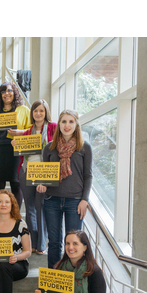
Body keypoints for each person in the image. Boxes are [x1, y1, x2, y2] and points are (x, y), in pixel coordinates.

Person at [37, 109, 93, 269]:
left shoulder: (84, 147)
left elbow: (88, 176)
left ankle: (72, 281)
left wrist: (84, 200)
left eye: (71, 122)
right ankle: (54, 282)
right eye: (63, 122)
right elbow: (44, 175)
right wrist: (41, 184)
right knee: (54, 242)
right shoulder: (49, 148)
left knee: (74, 245)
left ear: (76, 125)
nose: (67, 125)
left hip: (75, 202)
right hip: (51, 200)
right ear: (59, 124)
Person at [11, 99, 57, 255]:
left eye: (41, 111)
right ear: (32, 114)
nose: (38, 113)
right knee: (29, 207)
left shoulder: (53, 127)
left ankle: (42, 244)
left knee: (41, 206)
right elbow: (21, 153)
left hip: (43, 171)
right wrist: (15, 145)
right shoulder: (28, 131)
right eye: (35, 111)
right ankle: (33, 242)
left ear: (46, 112)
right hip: (26, 171)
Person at [0, 81, 31, 208]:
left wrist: (20, 132)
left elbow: (32, 130)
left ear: (15, 93)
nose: (6, 94)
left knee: (16, 184)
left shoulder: (23, 110)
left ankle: (16, 217)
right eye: (3, 91)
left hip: (16, 150)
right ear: (0, 95)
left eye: (9, 90)